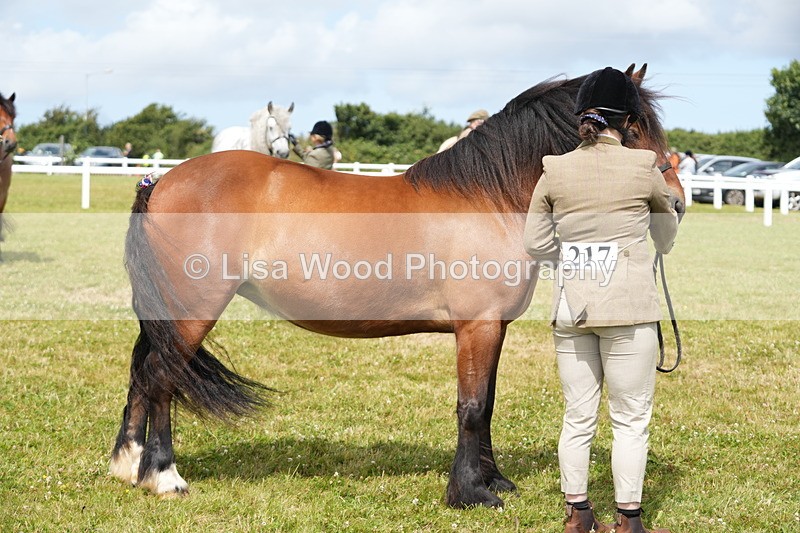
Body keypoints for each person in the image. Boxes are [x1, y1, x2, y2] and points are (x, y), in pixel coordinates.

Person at [524, 67, 679, 533]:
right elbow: (666, 237)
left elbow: (535, 243)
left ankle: (578, 514)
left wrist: (574, 260)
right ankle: (628, 521)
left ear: (582, 120)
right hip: (628, 309)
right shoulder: (643, 165)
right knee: (630, 419)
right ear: (629, 121)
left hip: (571, 308)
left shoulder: (555, 168)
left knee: (578, 416)